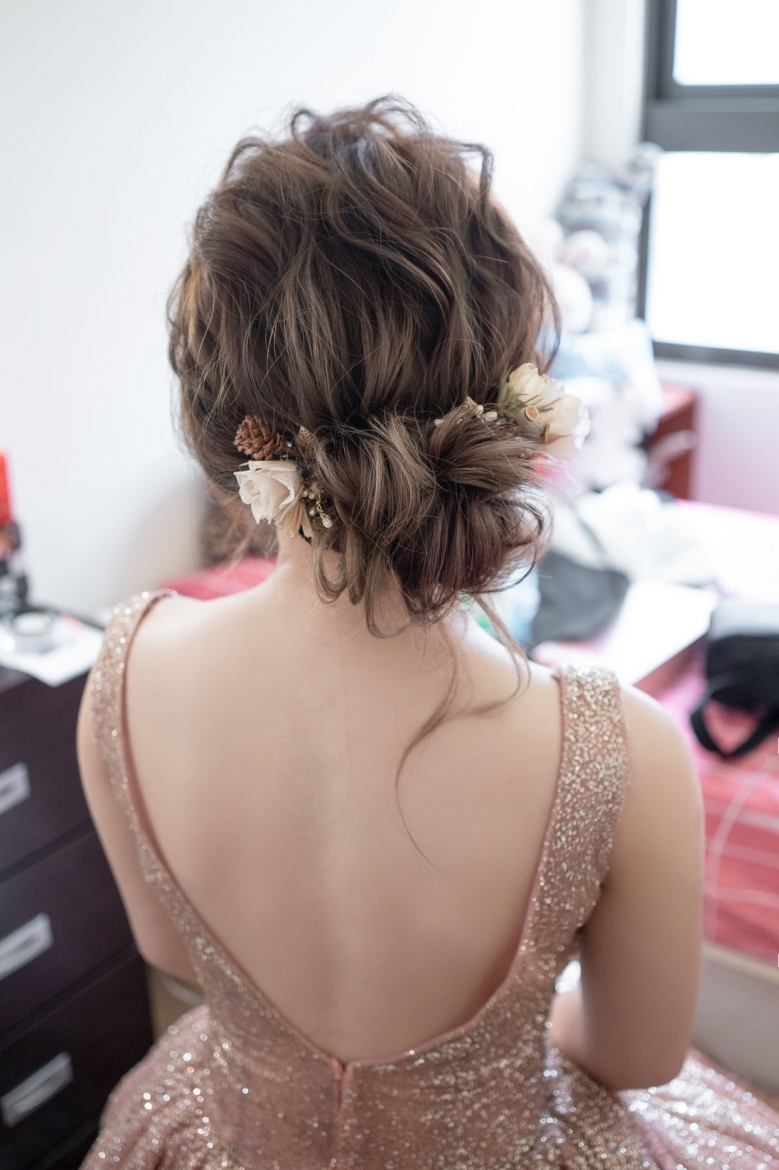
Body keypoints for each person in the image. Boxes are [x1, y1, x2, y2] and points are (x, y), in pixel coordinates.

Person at [76, 98, 779, 1169]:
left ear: (218, 425)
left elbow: (171, 949)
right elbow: (637, 1056)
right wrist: (495, 1037)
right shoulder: (620, 749)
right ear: (511, 397)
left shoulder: (123, 669)